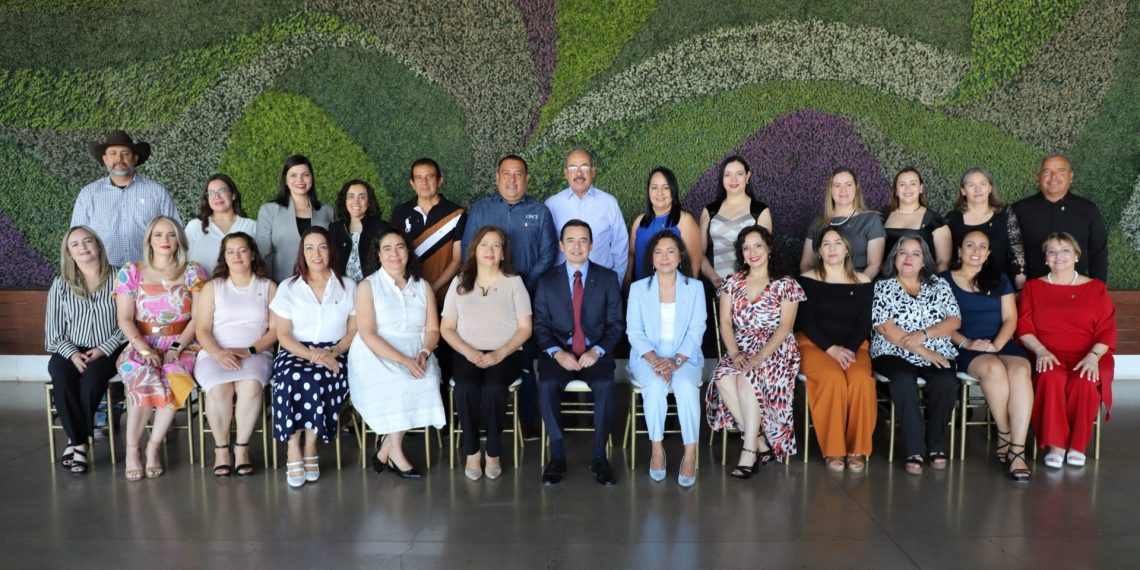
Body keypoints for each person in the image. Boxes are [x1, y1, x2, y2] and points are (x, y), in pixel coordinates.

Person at [461, 155, 556, 438]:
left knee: (524, 358)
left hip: (528, 296)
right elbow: (468, 250)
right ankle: (483, 416)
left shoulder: (540, 211)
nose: (512, 180)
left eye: (518, 174)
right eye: (506, 173)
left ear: (527, 178)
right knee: (481, 354)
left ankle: (526, 417)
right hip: (485, 299)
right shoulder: (481, 210)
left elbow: (549, 253)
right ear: (497, 177)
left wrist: (521, 285)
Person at [113, 216, 209, 481]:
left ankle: (153, 447)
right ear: (149, 240)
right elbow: (124, 319)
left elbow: (199, 318)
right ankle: (132, 450)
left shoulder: (193, 271)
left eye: (171, 234)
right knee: (142, 378)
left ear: (179, 239)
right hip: (141, 342)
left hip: (183, 343)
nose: (165, 240)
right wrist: (145, 350)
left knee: (174, 380)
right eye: (158, 234)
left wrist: (176, 347)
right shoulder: (132, 271)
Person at [706, 226, 804, 476]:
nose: (752, 252)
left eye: (758, 245)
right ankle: (759, 441)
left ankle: (748, 450)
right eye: (746, 248)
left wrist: (760, 357)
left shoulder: (786, 284)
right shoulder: (732, 283)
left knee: (747, 378)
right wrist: (735, 354)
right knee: (723, 377)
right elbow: (725, 322)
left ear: (769, 248)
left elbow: (785, 327)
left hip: (776, 350)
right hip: (741, 346)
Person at [348, 229, 446, 479]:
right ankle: (396, 453)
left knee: (426, 379)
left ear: (408, 252)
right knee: (399, 382)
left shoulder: (423, 286)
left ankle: (385, 449)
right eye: (387, 248)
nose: (394, 253)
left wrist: (424, 352)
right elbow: (367, 333)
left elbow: (433, 329)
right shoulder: (368, 286)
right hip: (375, 351)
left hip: (416, 348)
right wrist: (404, 361)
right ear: (378, 255)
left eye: (400, 247)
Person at [533, 220, 624, 486]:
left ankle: (599, 456)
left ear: (591, 245)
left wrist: (597, 351)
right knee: (547, 384)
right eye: (570, 240)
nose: (577, 246)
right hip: (559, 354)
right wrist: (556, 353)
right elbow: (540, 326)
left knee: (605, 385)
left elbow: (616, 324)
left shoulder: (607, 278)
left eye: (583, 240)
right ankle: (557, 454)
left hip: (595, 354)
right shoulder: (547, 281)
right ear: (561, 246)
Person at [441, 226, 533, 481]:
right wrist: (470, 353)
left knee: (494, 388)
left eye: (496, 245)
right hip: (466, 353)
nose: (489, 250)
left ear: (503, 253)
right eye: (484, 244)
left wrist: (499, 354)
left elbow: (525, 328)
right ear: (475, 250)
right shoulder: (459, 282)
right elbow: (447, 328)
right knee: (466, 387)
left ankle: (493, 451)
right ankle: (472, 451)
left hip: (506, 354)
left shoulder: (514, 282)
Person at [1017, 232, 1115, 469]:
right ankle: (1056, 445)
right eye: (1051, 251)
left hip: (1089, 354)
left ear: (1076, 256)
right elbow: (1023, 327)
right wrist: (1040, 350)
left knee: (1085, 381)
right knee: (1050, 377)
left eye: (1065, 250)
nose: (1058, 256)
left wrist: (1093, 357)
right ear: (1045, 258)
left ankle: (1078, 445)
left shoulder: (1096, 288)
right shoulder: (1033, 287)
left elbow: (1107, 330)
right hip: (1047, 353)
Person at [269, 227, 357, 488]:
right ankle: (293, 446)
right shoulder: (289, 287)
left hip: (335, 351)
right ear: (302, 253)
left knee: (319, 378)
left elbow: (354, 330)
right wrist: (311, 354)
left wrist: (333, 352)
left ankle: (310, 446)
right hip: (295, 350)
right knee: (291, 377)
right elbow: (283, 334)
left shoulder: (348, 286)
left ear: (331, 251)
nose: (316, 253)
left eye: (322, 247)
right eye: (309, 247)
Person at [943, 230, 1032, 482]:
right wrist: (968, 342)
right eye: (970, 245)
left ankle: (1017, 450)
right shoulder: (943, 280)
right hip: (965, 346)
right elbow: (940, 323)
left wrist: (997, 344)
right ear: (959, 250)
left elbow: (1010, 318)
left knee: (1020, 371)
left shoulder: (999, 279)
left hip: (1001, 342)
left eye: (982, 246)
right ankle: (1004, 434)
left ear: (988, 253)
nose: (976, 251)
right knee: (994, 369)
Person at [871, 236, 960, 475]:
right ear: (894, 258)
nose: (908, 258)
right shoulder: (882, 286)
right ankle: (914, 448)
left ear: (924, 261)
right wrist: (922, 350)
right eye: (903, 252)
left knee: (946, 381)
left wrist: (924, 335)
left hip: (936, 348)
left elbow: (954, 320)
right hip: (891, 350)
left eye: (915, 254)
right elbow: (885, 327)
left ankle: (935, 443)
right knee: (902, 380)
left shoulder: (939, 285)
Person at [193, 232, 278, 478]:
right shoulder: (213, 287)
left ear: (252, 254)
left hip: (255, 352)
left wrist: (250, 350)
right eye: (230, 251)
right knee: (220, 389)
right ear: (224, 257)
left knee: (250, 385)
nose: (236, 256)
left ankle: (241, 448)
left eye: (242, 250)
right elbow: (202, 329)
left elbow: (275, 331)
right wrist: (218, 354)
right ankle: (221, 450)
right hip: (214, 352)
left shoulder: (268, 287)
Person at [627, 230, 706, 486]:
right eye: (658, 252)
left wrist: (677, 361)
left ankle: (690, 455)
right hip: (647, 358)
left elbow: (697, 329)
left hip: (685, 358)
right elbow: (634, 332)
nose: (664, 257)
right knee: (655, 385)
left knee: (686, 387)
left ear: (680, 257)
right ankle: (657, 449)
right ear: (651, 258)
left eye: (670, 251)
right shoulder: (639, 289)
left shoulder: (694, 288)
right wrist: (655, 361)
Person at [44, 227, 126, 475]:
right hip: (69, 348)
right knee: (61, 376)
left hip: (110, 348)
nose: (83, 247)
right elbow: (53, 332)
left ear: (98, 245)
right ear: (69, 253)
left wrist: (103, 349)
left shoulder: (121, 277)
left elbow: (130, 321)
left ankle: (75, 442)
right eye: (75, 244)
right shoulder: (61, 284)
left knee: (91, 380)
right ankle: (80, 442)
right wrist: (71, 353)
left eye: (88, 241)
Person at [794, 227, 875, 473]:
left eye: (837, 243)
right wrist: (832, 350)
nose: (832, 249)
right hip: (814, 345)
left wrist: (847, 350)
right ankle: (833, 449)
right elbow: (806, 321)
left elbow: (864, 322)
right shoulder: (807, 280)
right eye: (826, 244)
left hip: (854, 347)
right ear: (819, 251)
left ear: (847, 249)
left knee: (861, 380)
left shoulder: (863, 281)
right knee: (832, 378)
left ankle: (857, 449)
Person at [70, 130, 182, 267]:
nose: (119, 158)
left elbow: (176, 232)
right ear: (105, 159)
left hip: (148, 272)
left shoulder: (157, 192)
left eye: (125, 153)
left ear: (135, 158)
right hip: (105, 273)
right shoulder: (88, 194)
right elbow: (76, 238)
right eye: (113, 153)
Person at [1013, 155, 1107, 281]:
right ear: (1038, 177)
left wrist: (1098, 287)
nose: (1053, 176)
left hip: (1077, 287)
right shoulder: (1019, 210)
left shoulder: (1088, 210)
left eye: (1060, 171)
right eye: (1047, 171)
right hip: (1032, 287)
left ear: (1071, 176)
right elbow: (1009, 252)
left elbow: (1098, 252)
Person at [544, 148, 629, 278]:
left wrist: (615, 283)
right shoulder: (552, 205)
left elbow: (620, 246)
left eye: (584, 167)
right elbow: (545, 249)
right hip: (562, 283)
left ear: (593, 171)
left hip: (602, 282)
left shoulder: (608, 203)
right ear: (565, 173)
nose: (579, 173)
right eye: (573, 168)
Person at [390, 158, 466, 301]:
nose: (424, 182)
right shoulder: (400, 212)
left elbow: (457, 260)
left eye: (429, 177)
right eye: (418, 177)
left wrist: (433, 289)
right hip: (407, 293)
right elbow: (393, 255)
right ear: (412, 183)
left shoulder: (457, 213)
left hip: (444, 295)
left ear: (440, 181)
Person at [256, 155, 335, 283]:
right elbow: (263, 254)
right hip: (281, 284)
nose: (300, 180)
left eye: (305, 175)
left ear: (312, 177)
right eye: (293, 175)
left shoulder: (327, 210)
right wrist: (268, 286)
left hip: (321, 285)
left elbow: (332, 251)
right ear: (285, 179)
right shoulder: (269, 210)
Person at [946, 168, 1026, 289]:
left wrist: (1020, 285)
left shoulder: (1005, 213)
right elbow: (947, 258)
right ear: (963, 191)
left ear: (990, 188)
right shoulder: (952, 219)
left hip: (1001, 285)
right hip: (963, 287)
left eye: (982, 184)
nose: (978, 189)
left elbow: (1017, 249)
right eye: (971, 185)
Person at [699, 156, 772, 288]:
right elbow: (699, 253)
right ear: (722, 178)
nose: (734, 180)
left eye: (739, 174)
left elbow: (765, 252)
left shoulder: (760, 211)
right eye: (728, 174)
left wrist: (743, 285)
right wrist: (714, 278)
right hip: (712, 285)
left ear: (747, 176)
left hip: (750, 287)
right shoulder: (710, 211)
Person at [800, 167, 885, 279]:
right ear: (830, 190)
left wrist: (855, 286)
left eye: (848, 185)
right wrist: (814, 284)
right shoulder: (818, 222)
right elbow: (806, 263)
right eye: (837, 185)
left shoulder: (871, 220)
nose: (843, 190)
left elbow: (875, 265)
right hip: (821, 284)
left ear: (856, 188)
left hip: (858, 284)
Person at [626, 167, 702, 285]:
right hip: (641, 291)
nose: (659, 193)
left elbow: (695, 262)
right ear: (648, 191)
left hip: (675, 292)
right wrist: (627, 286)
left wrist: (686, 290)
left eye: (665, 187)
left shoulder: (685, 220)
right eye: (654, 187)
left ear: (673, 190)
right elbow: (631, 257)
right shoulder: (639, 222)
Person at [882, 168, 951, 272]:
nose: (907, 188)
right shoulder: (882, 218)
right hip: (885, 279)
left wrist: (927, 281)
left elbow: (944, 262)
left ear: (921, 188)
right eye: (902, 184)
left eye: (913, 184)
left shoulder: (935, 221)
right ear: (896, 190)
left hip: (922, 280)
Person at [185, 174, 257, 274]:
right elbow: (181, 261)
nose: (217, 196)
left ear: (233, 195)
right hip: (202, 284)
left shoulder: (251, 226)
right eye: (211, 193)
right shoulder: (195, 226)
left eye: (222, 191)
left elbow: (260, 263)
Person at [330, 179, 390, 283]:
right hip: (342, 288)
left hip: (374, 287)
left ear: (369, 202)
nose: (356, 201)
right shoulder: (334, 229)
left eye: (362, 197)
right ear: (345, 200)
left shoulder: (382, 229)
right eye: (351, 196)